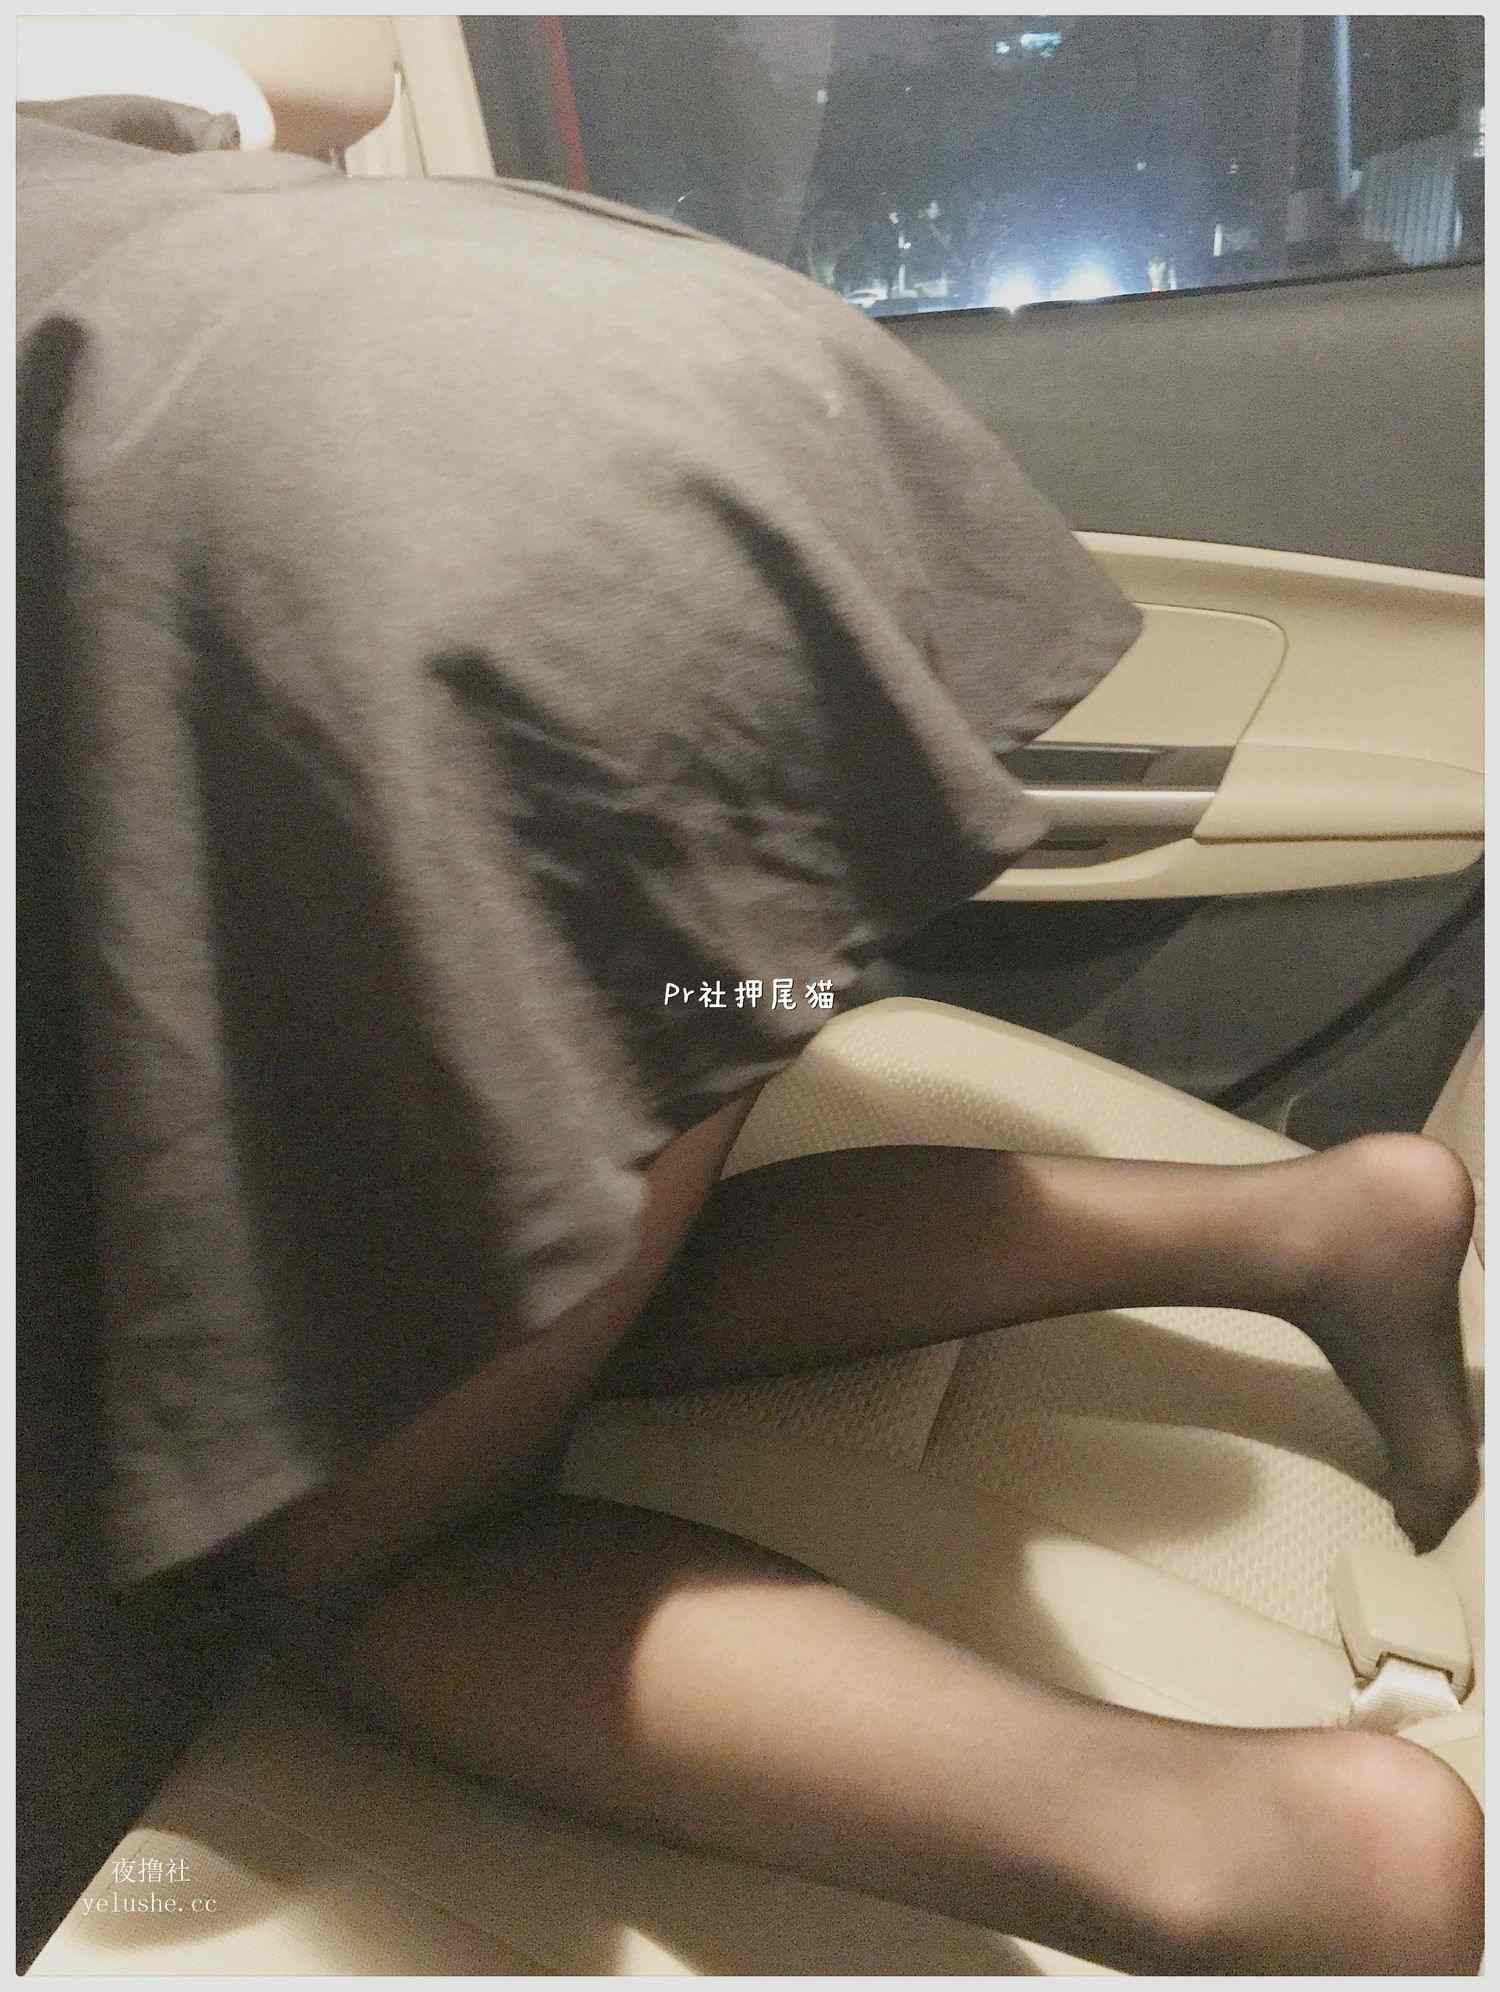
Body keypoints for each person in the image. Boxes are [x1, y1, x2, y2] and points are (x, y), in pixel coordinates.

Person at [18, 77, 1481, 1978]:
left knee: (355, 1553)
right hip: (717, 444)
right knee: (546, 1272)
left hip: (400, 622)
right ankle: (1317, 1223)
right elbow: (308, 83)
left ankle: (1284, 1854)